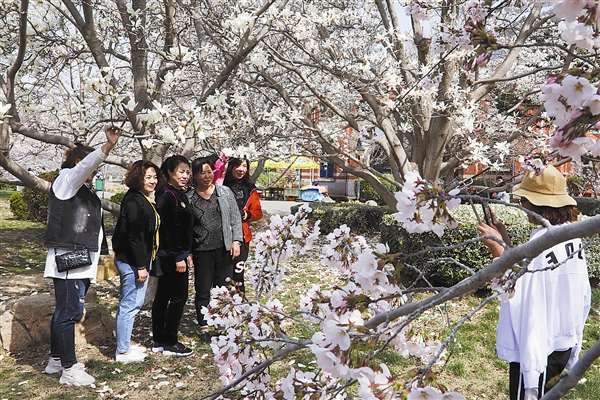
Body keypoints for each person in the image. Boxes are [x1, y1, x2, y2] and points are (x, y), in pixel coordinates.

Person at [477, 165, 591, 400]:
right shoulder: (571, 236)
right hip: (562, 337)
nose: (523, 206)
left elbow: (517, 290)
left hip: (536, 347)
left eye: (526, 200)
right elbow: (539, 276)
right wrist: (506, 241)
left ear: (538, 204)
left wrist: (497, 249)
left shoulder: (543, 242)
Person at [43, 126, 121, 386]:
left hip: (80, 262)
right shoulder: (67, 178)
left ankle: (56, 360)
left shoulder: (82, 188)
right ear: (79, 162)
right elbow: (83, 168)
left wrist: (105, 265)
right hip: (68, 261)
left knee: (65, 311)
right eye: (91, 165)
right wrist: (106, 147)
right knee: (68, 312)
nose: (95, 171)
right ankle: (69, 368)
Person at [112, 160, 162, 363]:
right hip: (133, 261)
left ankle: (125, 345)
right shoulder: (134, 201)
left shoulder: (141, 198)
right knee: (130, 304)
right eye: (147, 177)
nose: (152, 181)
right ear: (137, 178)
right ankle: (122, 351)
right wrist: (141, 266)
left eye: (154, 177)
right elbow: (134, 236)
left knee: (135, 302)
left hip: (139, 259)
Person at [189, 157, 243, 344]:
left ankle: (221, 326)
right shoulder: (190, 198)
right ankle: (205, 326)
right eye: (202, 172)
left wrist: (236, 241)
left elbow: (236, 219)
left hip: (223, 249)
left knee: (222, 289)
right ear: (194, 175)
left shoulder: (224, 192)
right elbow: (187, 228)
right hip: (201, 250)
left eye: (209, 171)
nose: (207, 176)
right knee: (203, 289)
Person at [151, 155, 194, 356]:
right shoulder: (168, 196)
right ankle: (169, 340)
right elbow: (168, 230)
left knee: (164, 296)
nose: (185, 176)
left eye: (187, 172)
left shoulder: (178, 193)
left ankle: (160, 338)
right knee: (178, 296)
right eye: (181, 172)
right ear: (169, 172)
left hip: (177, 253)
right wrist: (179, 256)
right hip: (170, 255)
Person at [222, 156, 263, 293]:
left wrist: (248, 215)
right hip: (222, 236)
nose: (241, 169)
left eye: (244, 166)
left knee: (238, 275)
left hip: (243, 237)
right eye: (238, 166)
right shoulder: (220, 185)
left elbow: (258, 211)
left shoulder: (250, 189)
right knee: (223, 275)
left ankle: (239, 304)